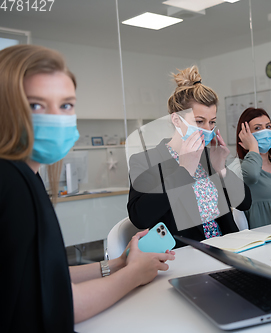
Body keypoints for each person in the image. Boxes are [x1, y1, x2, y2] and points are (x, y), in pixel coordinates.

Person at [0, 45, 175, 332]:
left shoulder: (22, 177)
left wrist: (117, 264)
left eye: (66, 105)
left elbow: (47, 276)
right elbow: (64, 305)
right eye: (35, 105)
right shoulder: (13, 182)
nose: (56, 117)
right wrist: (133, 275)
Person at [127, 66, 251, 242]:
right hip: (183, 256)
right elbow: (140, 217)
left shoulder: (209, 158)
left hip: (227, 250)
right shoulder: (146, 161)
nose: (208, 129)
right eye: (200, 121)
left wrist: (221, 169)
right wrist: (183, 170)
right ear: (176, 119)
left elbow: (245, 203)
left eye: (212, 122)